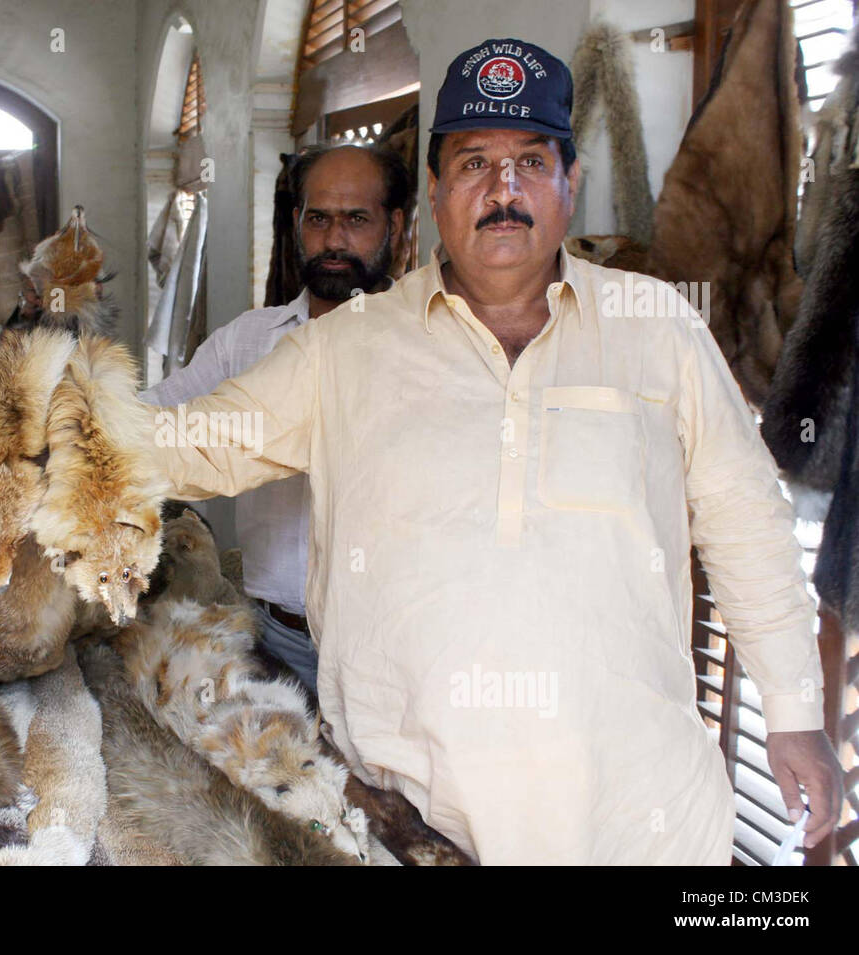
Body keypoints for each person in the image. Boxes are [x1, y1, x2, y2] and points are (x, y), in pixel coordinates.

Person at [144, 38, 843, 863]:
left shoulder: (659, 329)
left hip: (635, 817)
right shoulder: (348, 350)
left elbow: (746, 519)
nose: (503, 190)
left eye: (529, 161)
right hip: (410, 825)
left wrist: (796, 710)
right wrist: (36, 430)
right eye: (474, 163)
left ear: (568, 184)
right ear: (436, 196)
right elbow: (197, 444)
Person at [141, 144, 408, 693]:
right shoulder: (249, 340)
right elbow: (157, 414)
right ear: (296, 223)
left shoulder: (428, 346)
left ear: (396, 226)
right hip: (273, 638)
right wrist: (68, 416)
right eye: (319, 219)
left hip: (392, 646)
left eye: (357, 219)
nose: (335, 240)